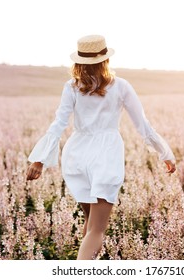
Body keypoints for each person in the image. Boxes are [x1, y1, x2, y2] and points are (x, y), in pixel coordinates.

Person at [26, 35, 176, 260]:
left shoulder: (72, 87)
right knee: (97, 230)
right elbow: (142, 124)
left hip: (76, 155)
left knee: (90, 223)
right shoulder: (121, 86)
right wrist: (164, 152)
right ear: (105, 59)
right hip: (105, 156)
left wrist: (39, 160)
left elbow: (58, 124)